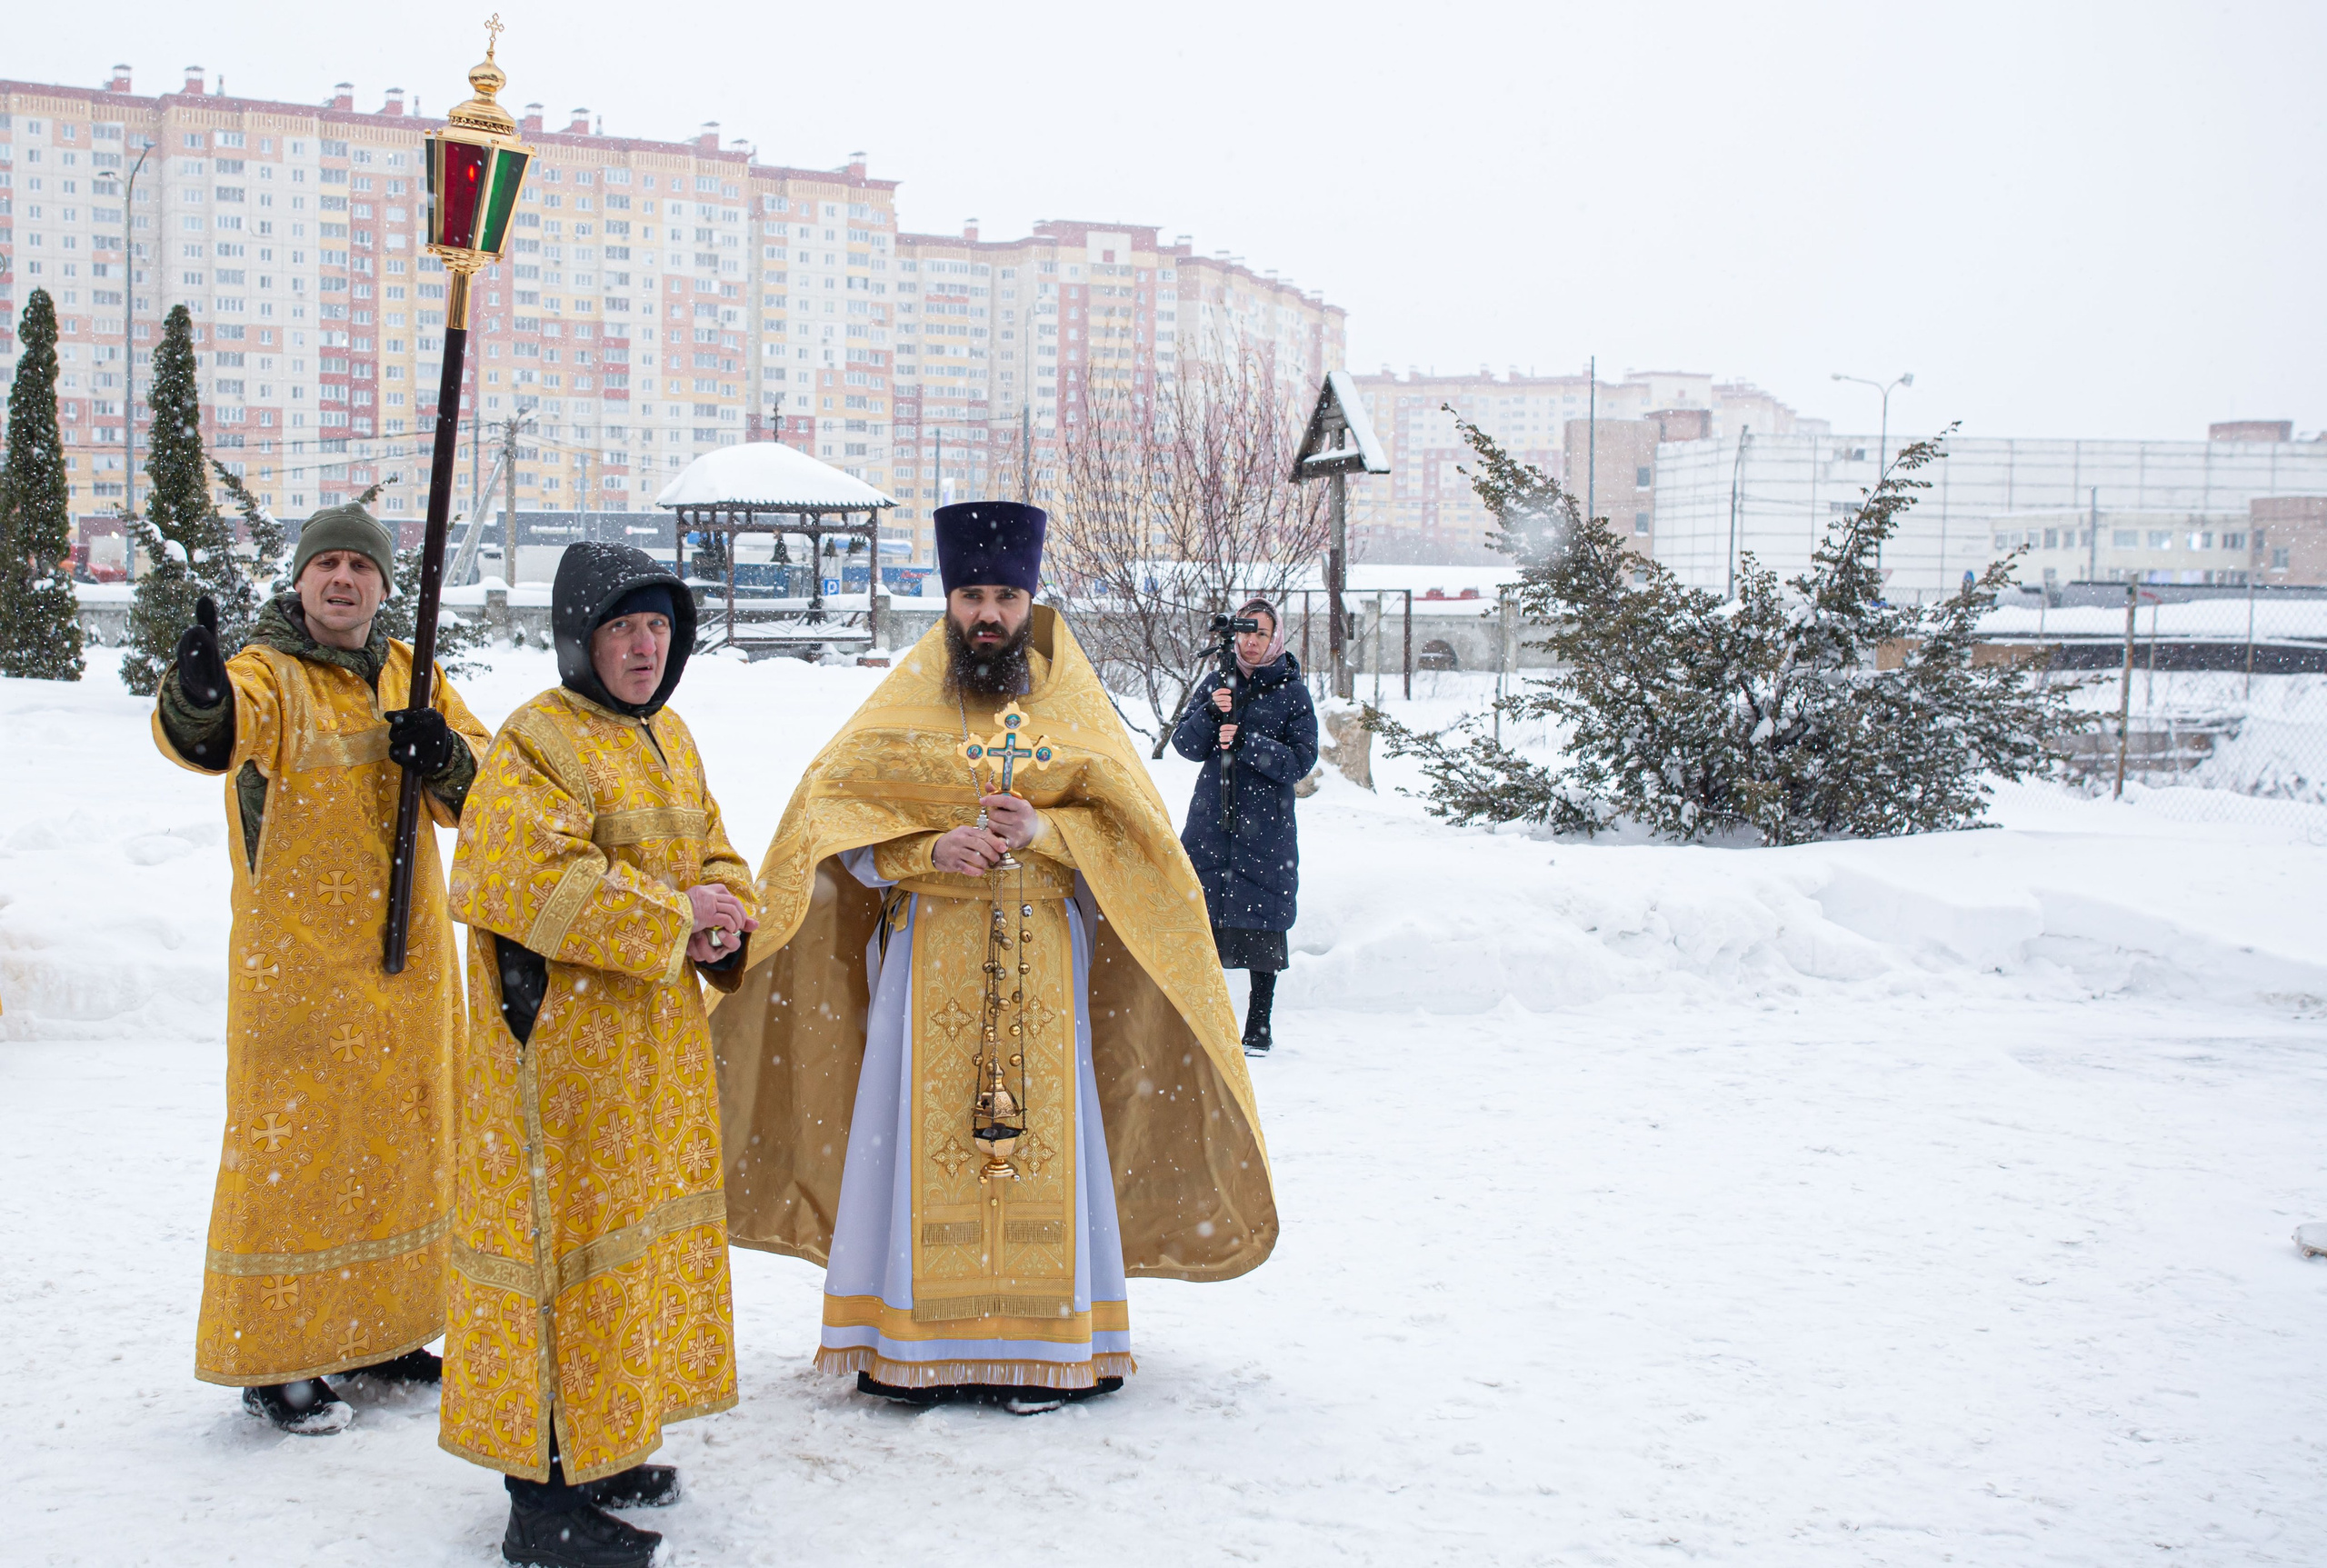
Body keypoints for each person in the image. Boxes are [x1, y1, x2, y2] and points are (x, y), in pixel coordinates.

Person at [711, 501, 1278, 1413]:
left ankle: (1048, 1344)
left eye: (1004, 597)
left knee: (1043, 1144)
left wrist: (1048, 830)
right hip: (928, 947)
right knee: (918, 1137)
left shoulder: (1074, 703)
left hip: (1043, 955)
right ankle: (912, 1345)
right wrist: (926, 851)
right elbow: (831, 821)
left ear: (1029, 599)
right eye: (971, 595)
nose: (988, 614)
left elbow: (1137, 842)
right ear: (948, 601)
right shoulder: (904, 700)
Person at [442, 543, 759, 1568]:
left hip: (649, 1060)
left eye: (660, 628)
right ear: (581, 638)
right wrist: (677, 914)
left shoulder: (670, 735)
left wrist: (722, 917)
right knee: (557, 1264)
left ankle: (603, 1446)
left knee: (628, 1257)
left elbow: (715, 852)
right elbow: (523, 877)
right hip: (561, 1066)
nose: (644, 647)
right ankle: (540, 1501)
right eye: (624, 627)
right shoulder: (535, 740)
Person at [152, 503, 492, 1433]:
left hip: (406, 964)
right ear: (299, 580)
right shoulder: (267, 672)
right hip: (299, 970)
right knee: (296, 1162)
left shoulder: (407, 672)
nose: (342, 580)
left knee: (402, 1149)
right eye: (326, 564)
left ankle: (383, 1331)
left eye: (360, 566)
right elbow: (215, 733)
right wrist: (198, 694)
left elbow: (489, 791)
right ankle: (280, 1357)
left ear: (384, 586)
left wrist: (445, 754)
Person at [1173, 600, 1318, 1055]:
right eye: (1245, 633)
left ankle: (1258, 1025)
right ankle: (1205, 1024)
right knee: (1202, 925)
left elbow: (1300, 761)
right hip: (1213, 818)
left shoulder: (1292, 692)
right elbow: (1185, 745)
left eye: (1261, 634)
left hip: (1264, 824)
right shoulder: (1217, 680)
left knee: (1263, 921)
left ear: (1275, 637)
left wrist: (1248, 742)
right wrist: (1210, 715)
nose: (1251, 642)